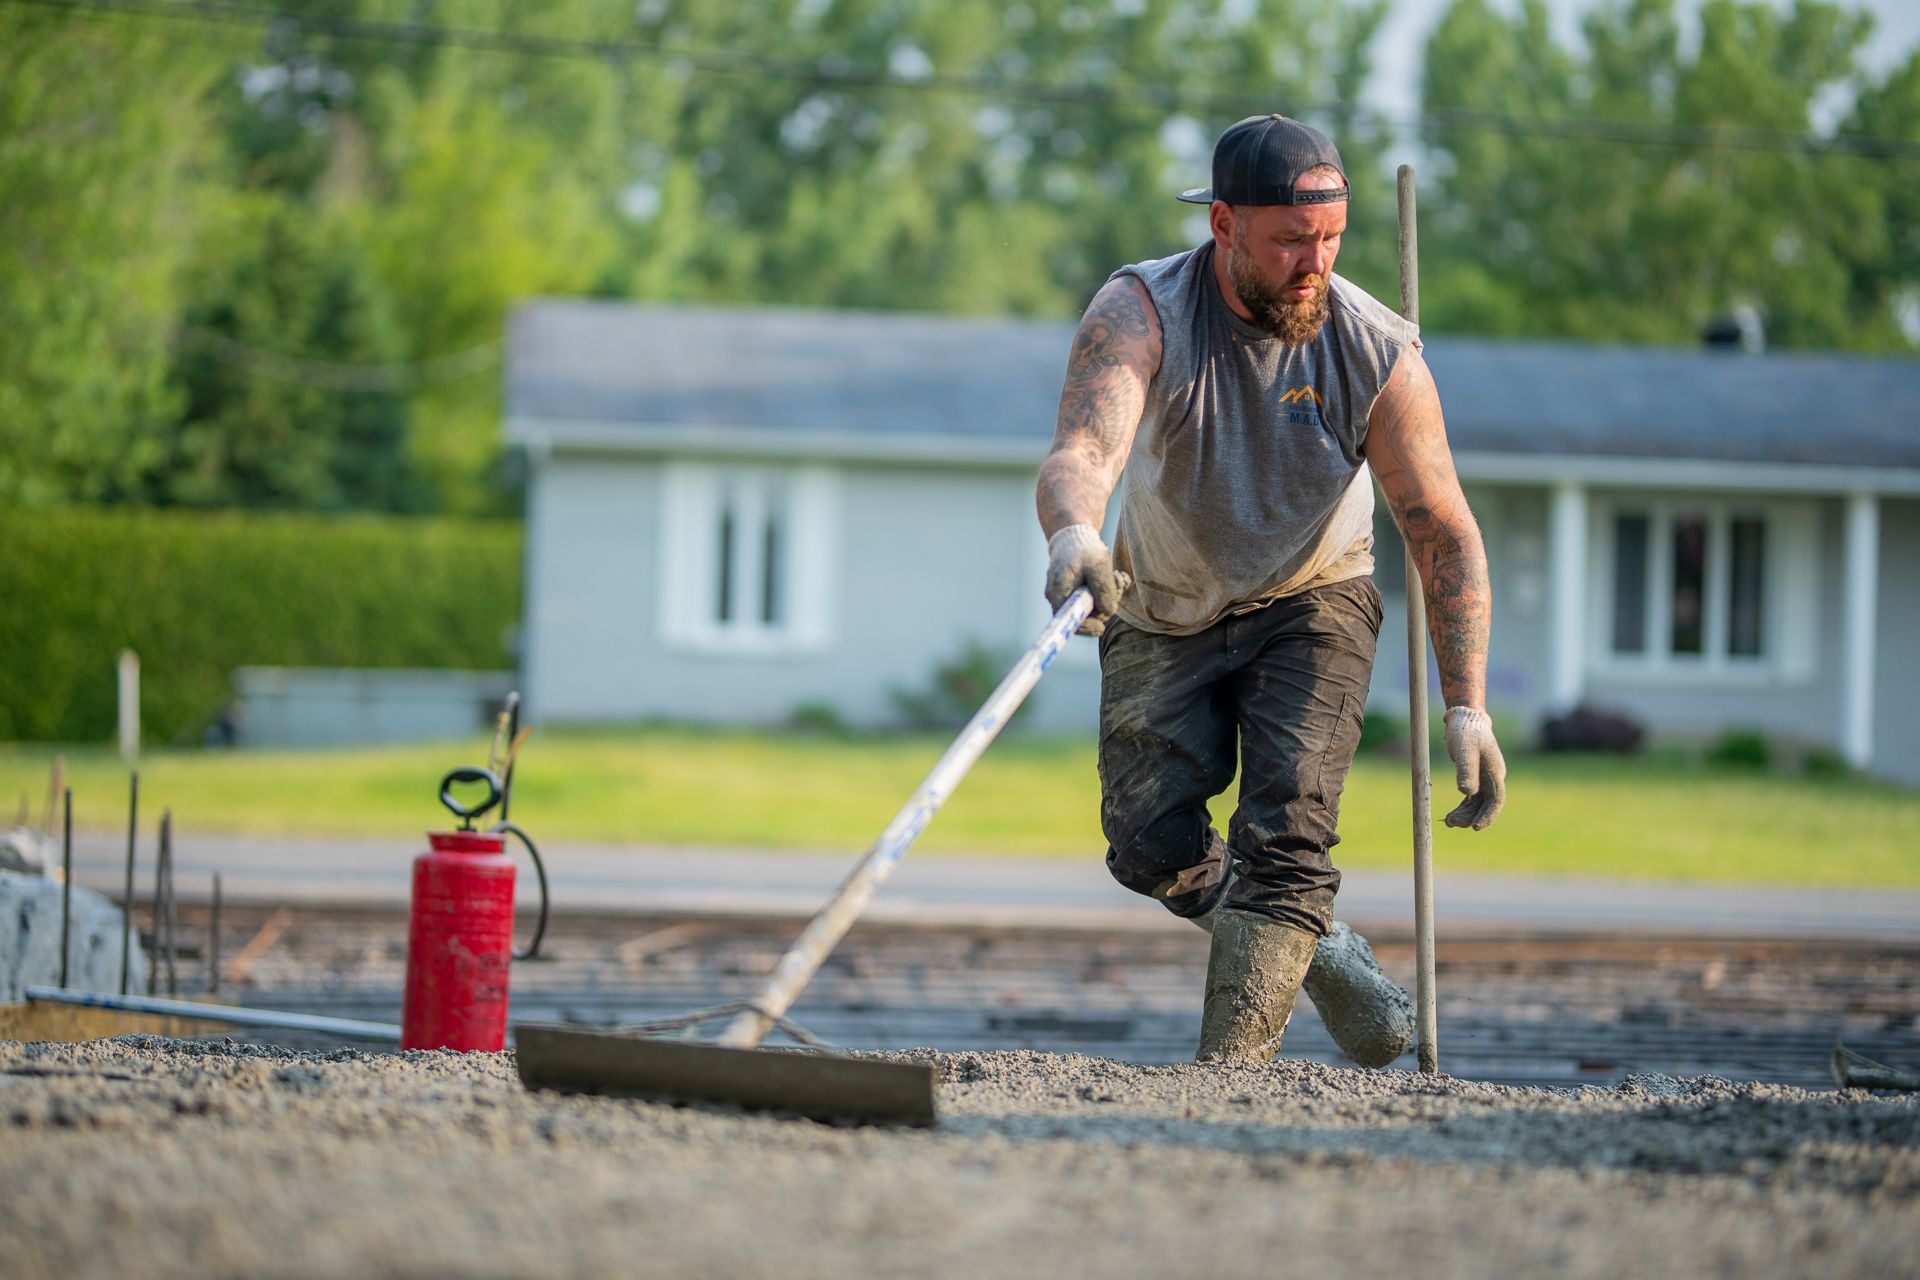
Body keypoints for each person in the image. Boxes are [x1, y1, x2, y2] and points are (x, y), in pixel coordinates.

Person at [1035, 114, 1507, 1067]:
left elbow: (1442, 531)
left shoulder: (1375, 349)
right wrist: (1076, 534)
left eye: (1331, 240)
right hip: (1161, 599)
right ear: (1223, 224)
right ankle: (1323, 957)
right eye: (1292, 241)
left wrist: (1468, 707)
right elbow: (1085, 448)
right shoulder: (1142, 311)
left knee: (1287, 837)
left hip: (1313, 597)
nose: (1314, 264)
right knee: (1146, 844)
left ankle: (1230, 1079)